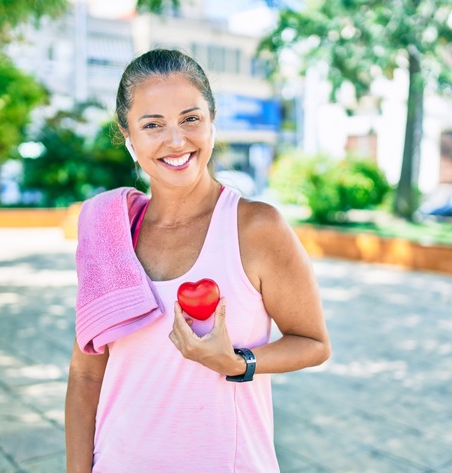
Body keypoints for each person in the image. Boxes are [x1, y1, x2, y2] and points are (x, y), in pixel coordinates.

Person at [65, 49, 330, 473]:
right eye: (152, 125)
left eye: (191, 119)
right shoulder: (109, 232)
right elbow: (85, 375)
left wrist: (238, 363)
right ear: (128, 134)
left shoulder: (256, 227)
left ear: (212, 120)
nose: (176, 141)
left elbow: (314, 344)